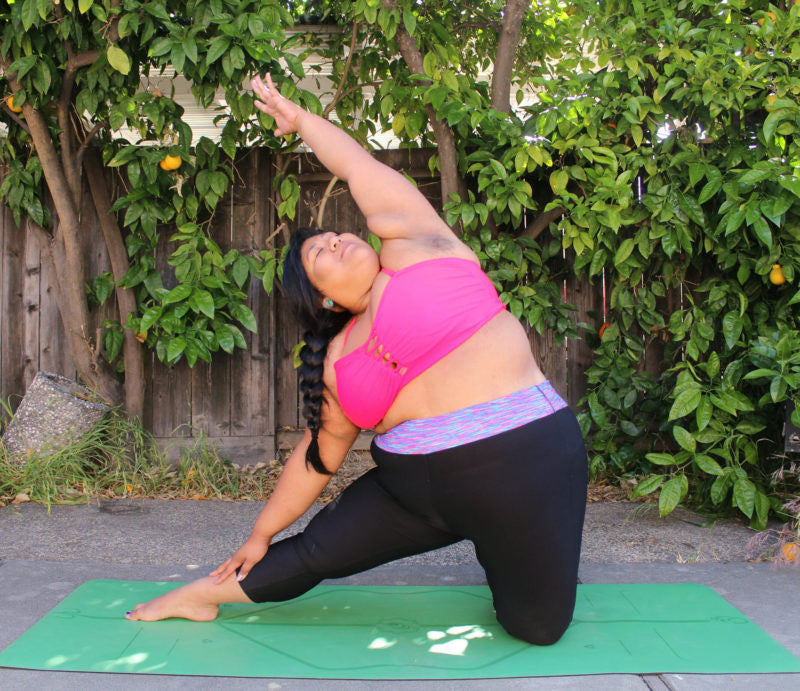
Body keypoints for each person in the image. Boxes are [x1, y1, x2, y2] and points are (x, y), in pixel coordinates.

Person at [125, 74, 588, 646]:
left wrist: (300, 121)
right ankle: (200, 595)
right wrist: (261, 531)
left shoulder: (419, 245)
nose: (338, 239)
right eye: (321, 251)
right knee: (315, 552)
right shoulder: (336, 358)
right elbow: (318, 458)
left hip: (523, 464)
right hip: (413, 492)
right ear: (320, 295)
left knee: (536, 628)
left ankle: (504, 549)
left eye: (337, 233)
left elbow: (359, 167)